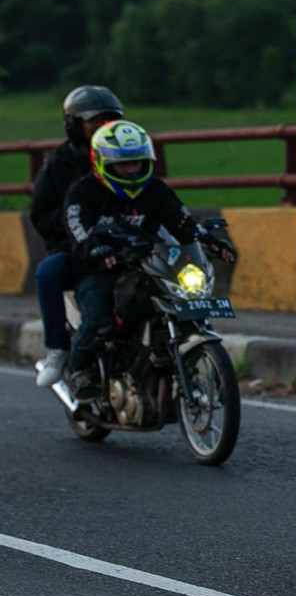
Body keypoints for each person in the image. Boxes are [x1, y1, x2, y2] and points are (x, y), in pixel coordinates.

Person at [63, 119, 235, 402]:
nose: (131, 170)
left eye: (137, 163)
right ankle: (79, 370)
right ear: (102, 163)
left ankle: (165, 359)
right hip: (99, 270)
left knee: (178, 304)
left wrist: (210, 241)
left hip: (147, 265)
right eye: (123, 165)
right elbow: (77, 228)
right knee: (99, 320)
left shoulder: (155, 189)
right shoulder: (82, 191)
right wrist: (94, 248)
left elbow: (182, 221)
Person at [30, 85, 124, 386]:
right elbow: (41, 216)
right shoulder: (58, 166)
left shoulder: (123, 157)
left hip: (122, 246)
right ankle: (57, 349)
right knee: (48, 272)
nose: (103, 126)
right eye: (95, 120)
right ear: (74, 124)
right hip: (74, 251)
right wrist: (80, 227)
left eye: (110, 119)